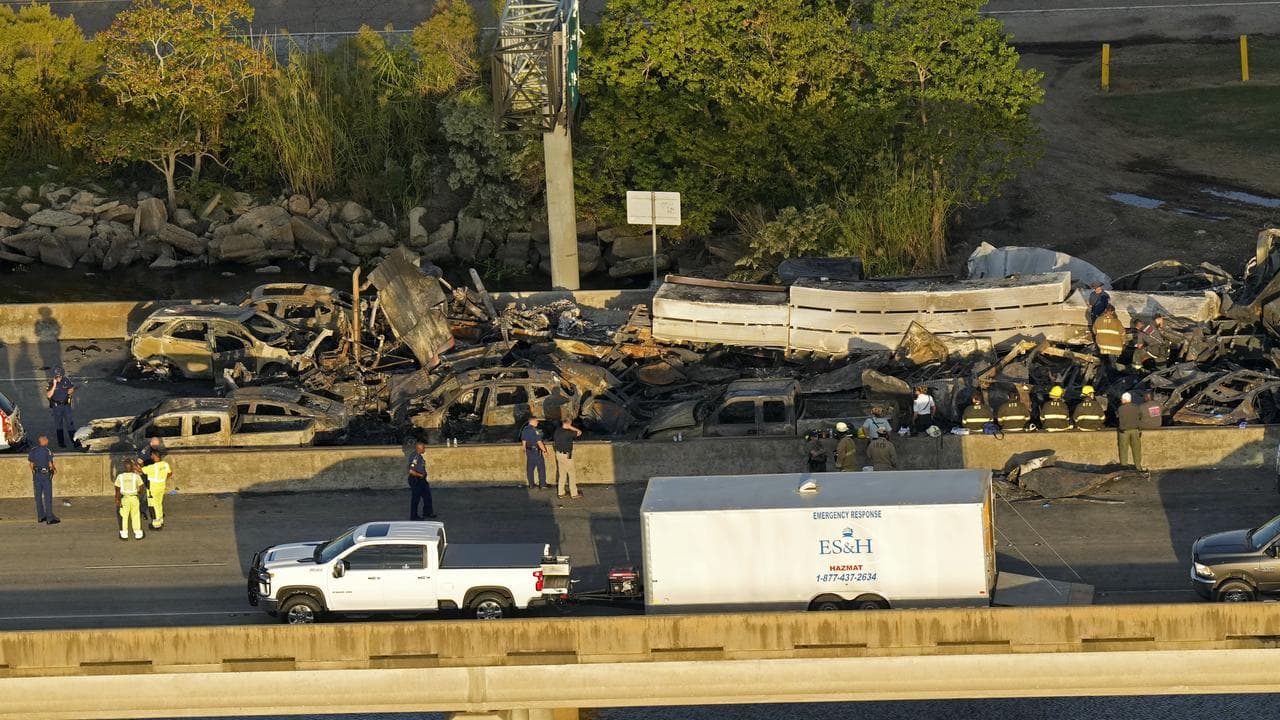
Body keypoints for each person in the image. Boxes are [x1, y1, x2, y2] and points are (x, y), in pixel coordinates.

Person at [27, 434, 59, 525]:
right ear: (44, 441)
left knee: (38, 497)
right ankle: (49, 518)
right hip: (45, 475)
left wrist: (35, 473)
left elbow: (31, 464)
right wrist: (54, 470)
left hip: (37, 475)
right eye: (46, 439)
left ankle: (41, 516)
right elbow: (50, 464)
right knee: (47, 496)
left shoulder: (33, 450)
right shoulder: (47, 451)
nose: (48, 440)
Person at [135, 437, 164, 524]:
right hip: (146, 474)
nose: (156, 447)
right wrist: (144, 470)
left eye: (157, 445)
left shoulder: (153, 449)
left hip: (150, 473)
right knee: (145, 495)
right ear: (151, 443)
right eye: (155, 445)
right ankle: (142, 511)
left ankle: (157, 512)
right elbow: (139, 461)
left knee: (152, 496)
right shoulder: (147, 450)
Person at [114, 459, 146, 540]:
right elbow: (142, 488)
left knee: (124, 516)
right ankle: (138, 533)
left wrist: (117, 500)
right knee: (135, 515)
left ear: (124, 467)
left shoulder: (120, 477)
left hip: (124, 499)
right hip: (134, 498)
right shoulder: (136, 476)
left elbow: (117, 490)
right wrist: (137, 493)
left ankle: (124, 534)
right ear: (132, 467)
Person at [45, 366, 76, 448]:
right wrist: (54, 385)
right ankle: (61, 442)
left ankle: (75, 441)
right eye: (57, 377)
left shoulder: (66, 380)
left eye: (60, 376)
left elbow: (71, 388)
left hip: (66, 405)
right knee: (59, 425)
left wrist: (69, 393)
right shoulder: (50, 383)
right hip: (57, 407)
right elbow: (48, 395)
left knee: (70, 424)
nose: (59, 378)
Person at [141, 449, 171, 530]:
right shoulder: (165, 464)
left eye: (151, 455)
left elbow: (140, 471)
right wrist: (163, 478)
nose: (151, 456)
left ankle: (156, 524)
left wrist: (135, 464)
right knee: (159, 503)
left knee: (153, 506)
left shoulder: (152, 467)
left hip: (152, 488)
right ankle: (161, 520)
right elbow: (170, 473)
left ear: (154, 455)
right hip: (161, 486)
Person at [553, 418, 583, 499]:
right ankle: (574, 493)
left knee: (562, 474)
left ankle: (561, 492)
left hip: (559, 454)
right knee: (571, 474)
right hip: (567, 456)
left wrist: (568, 426)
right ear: (569, 423)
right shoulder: (568, 433)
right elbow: (579, 432)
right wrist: (570, 427)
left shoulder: (557, 430)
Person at [1117, 392, 1145, 471]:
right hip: (1135, 430)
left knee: (1123, 449)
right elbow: (1140, 416)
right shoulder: (1136, 407)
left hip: (1124, 432)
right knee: (1136, 449)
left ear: (1125, 400)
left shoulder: (1120, 408)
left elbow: (1118, 418)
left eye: (1122, 399)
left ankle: (1124, 467)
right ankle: (1138, 467)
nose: (1121, 400)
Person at [407, 441, 435, 520]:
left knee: (427, 496)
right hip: (416, 480)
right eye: (423, 447)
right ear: (418, 448)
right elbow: (411, 471)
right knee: (416, 499)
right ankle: (414, 516)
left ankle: (427, 512)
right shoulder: (415, 457)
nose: (424, 449)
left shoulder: (419, 456)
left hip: (422, 480)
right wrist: (420, 475)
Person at [520, 417, 549, 489]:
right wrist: (545, 451)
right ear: (532, 421)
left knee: (530, 468)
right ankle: (543, 485)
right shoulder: (535, 430)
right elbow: (539, 442)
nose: (537, 422)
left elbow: (524, 439)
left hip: (529, 451)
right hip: (536, 451)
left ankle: (531, 484)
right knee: (541, 468)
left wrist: (524, 448)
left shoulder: (525, 429)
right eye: (536, 421)